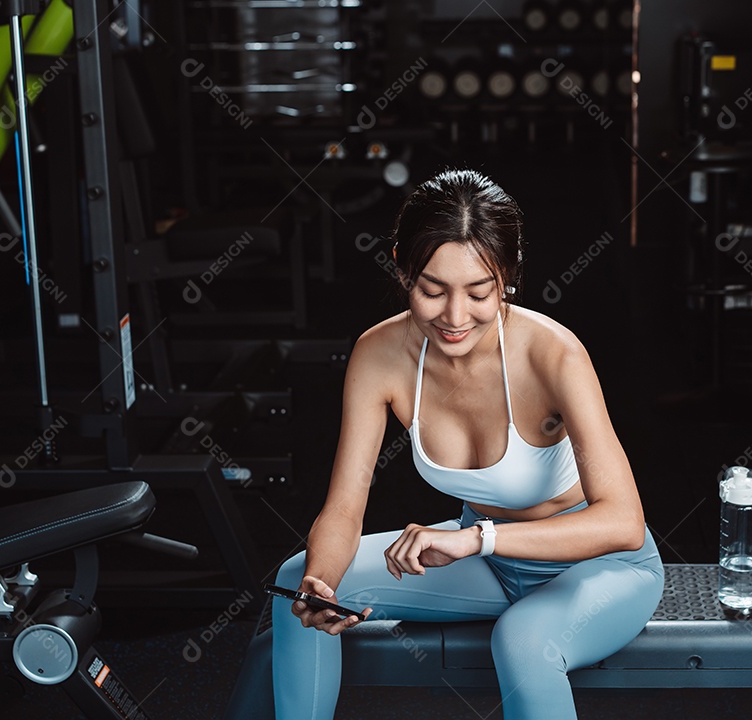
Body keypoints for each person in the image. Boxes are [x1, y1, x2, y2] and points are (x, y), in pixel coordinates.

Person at [272, 169, 664, 719]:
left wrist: (478, 537)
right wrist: (324, 581)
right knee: (298, 581)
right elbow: (343, 506)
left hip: (600, 569)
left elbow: (622, 523)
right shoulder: (378, 354)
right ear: (402, 267)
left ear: (508, 277)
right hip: (490, 565)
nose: (455, 318)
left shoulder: (553, 355)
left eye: (480, 293)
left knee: (524, 640)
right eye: (431, 290)